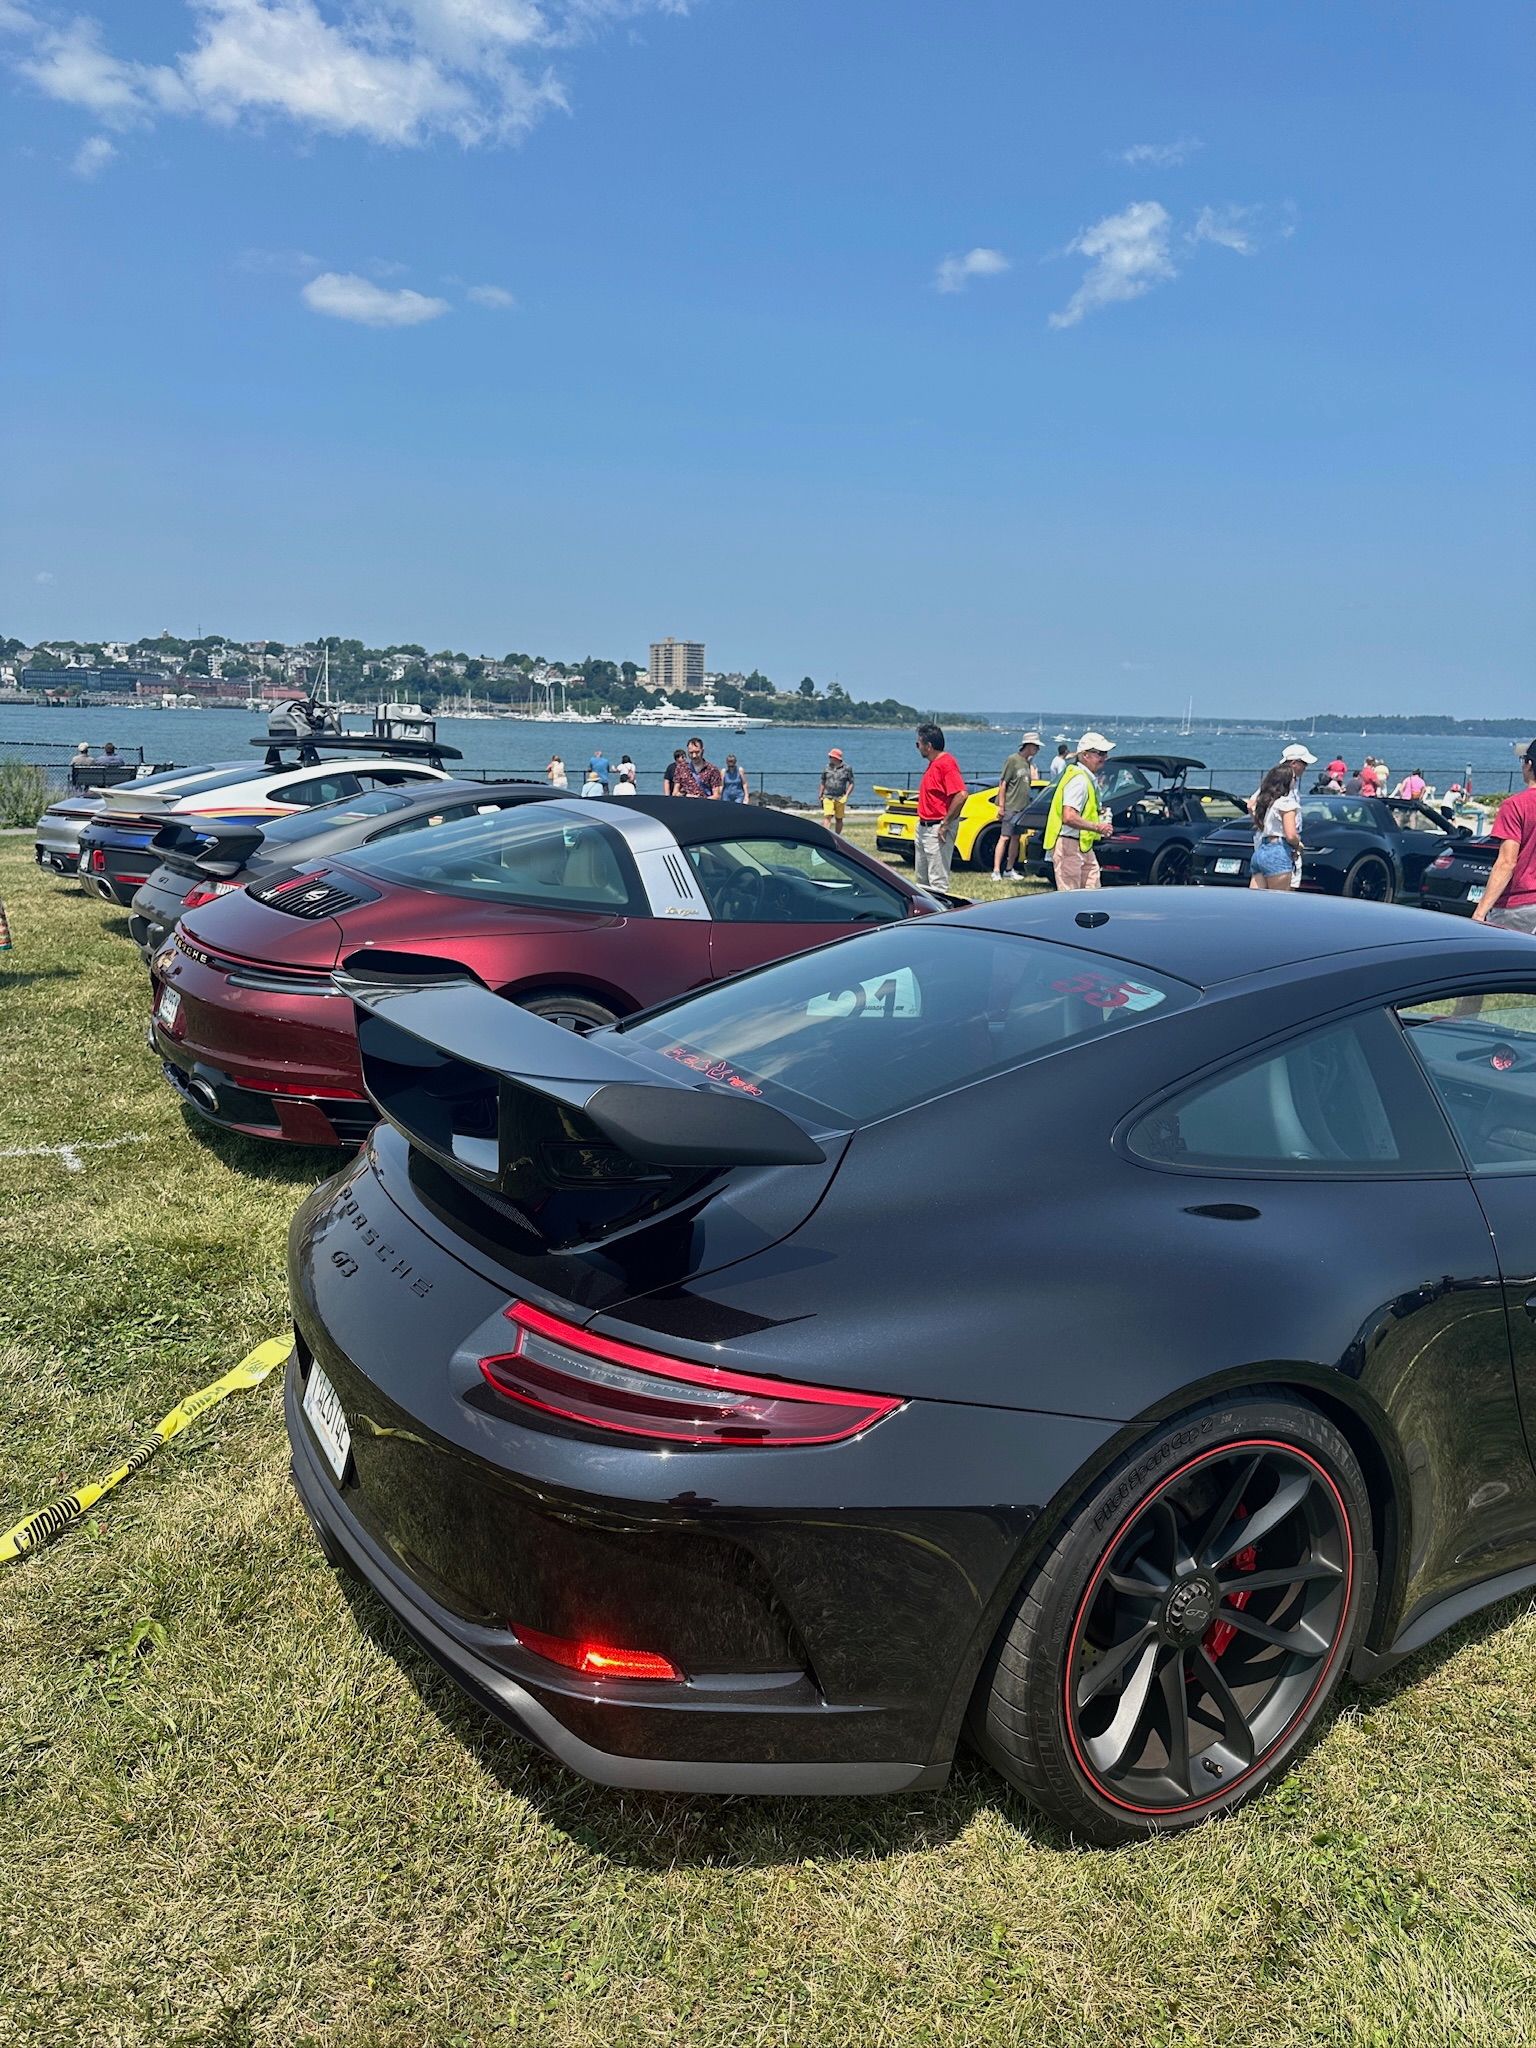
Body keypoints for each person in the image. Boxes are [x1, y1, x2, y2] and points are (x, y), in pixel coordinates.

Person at [1472, 741, 1536, 932]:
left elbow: (1507, 863)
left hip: (1518, 905)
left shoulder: (1516, 805)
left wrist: (1480, 912)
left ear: (1529, 764)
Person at [1043, 732, 1116, 890]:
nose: (1105, 757)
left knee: (1092, 891)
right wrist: (1098, 827)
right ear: (1085, 755)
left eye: (1105, 753)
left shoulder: (1086, 778)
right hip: (1068, 844)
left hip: (1082, 845)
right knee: (1071, 896)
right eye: (1100, 753)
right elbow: (1069, 816)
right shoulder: (1079, 780)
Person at [1248, 748, 1313, 891]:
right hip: (1279, 849)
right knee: (1280, 900)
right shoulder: (1286, 803)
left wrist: (1262, 826)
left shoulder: (1270, 799)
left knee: (1256, 900)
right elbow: (1290, 835)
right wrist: (1298, 845)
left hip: (1262, 850)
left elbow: (1251, 805)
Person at [913, 722, 967, 890]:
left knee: (937, 881)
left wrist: (945, 824)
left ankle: (939, 907)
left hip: (936, 828)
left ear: (928, 746)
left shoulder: (946, 764)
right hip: (924, 826)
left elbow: (961, 795)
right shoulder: (934, 764)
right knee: (921, 881)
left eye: (918, 744)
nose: (917, 748)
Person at [992, 730, 1042, 880]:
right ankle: (996, 870)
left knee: (1016, 838)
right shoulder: (1013, 760)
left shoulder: (1028, 763)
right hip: (1011, 806)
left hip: (1022, 807)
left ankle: (1009, 869)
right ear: (1028, 745)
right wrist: (1002, 806)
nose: (1037, 750)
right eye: (1036, 747)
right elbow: (1003, 783)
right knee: (1004, 837)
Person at [673, 735, 723, 799]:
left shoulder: (712, 770)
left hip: (704, 803)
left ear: (702, 751)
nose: (694, 756)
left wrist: (700, 800)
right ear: (687, 752)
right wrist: (686, 796)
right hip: (685, 803)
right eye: (691, 753)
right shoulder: (681, 768)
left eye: (697, 752)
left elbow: (716, 796)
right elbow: (675, 793)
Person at [819, 748, 854, 833]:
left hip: (840, 797)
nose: (830, 758)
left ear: (836, 758)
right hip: (828, 796)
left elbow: (851, 783)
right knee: (827, 816)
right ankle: (826, 835)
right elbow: (823, 781)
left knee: (839, 818)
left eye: (831, 757)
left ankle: (837, 836)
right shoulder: (826, 768)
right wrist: (820, 794)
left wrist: (846, 796)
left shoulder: (847, 768)